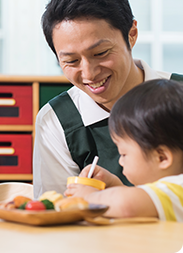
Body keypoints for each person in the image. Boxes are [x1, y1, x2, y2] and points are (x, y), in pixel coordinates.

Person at [33, 0, 183, 198]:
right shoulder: (57, 121)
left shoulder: (179, 96)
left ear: (131, 35)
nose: (89, 73)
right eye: (71, 61)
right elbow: (56, 211)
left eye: (101, 53)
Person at [65, 79, 183, 221]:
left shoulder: (178, 187)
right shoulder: (171, 194)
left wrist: (88, 197)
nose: (120, 161)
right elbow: (145, 202)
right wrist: (114, 184)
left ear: (162, 157)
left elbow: (127, 206)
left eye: (124, 154)